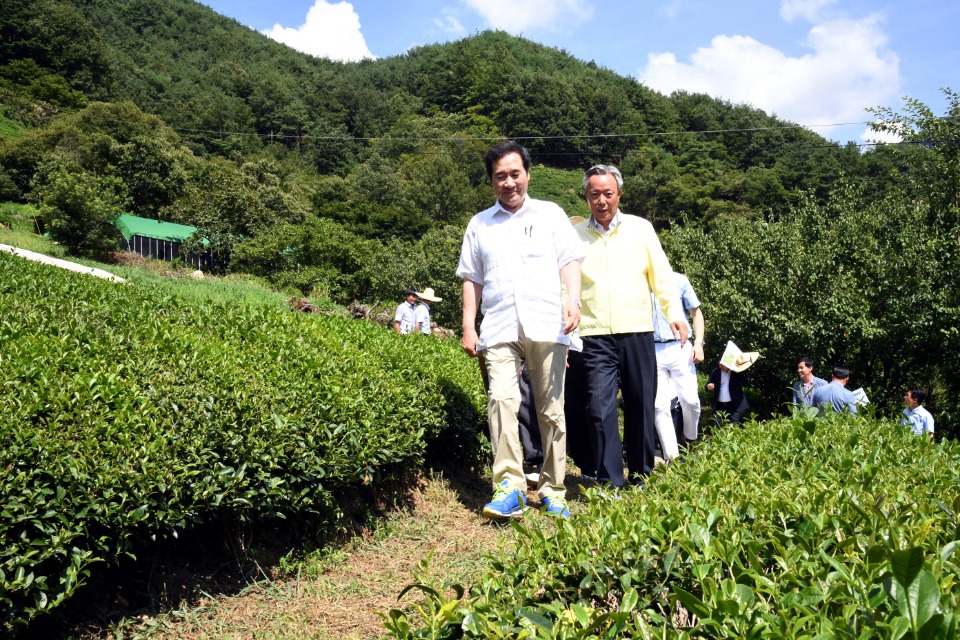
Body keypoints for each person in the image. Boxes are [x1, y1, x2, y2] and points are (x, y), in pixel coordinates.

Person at [457, 140, 584, 519]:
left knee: (550, 410)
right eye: (500, 176)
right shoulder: (479, 223)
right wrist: (468, 324)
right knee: (501, 401)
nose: (509, 182)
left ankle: (552, 488)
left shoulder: (551, 214)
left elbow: (571, 260)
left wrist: (573, 300)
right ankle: (509, 486)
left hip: (548, 322)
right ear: (491, 181)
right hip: (497, 326)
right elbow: (470, 278)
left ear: (527, 174)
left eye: (515, 174)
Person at [575, 164, 686, 489]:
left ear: (619, 194)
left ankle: (640, 474)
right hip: (594, 334)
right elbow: (566, 283)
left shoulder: (641, 229)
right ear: (586, 197)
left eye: (608, 193)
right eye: (594, 194)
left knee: (640, 403)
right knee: (599, 407)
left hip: (637, 330)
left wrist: (674, 313)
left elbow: (662, 277)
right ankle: (611, 481)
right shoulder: (575, 235)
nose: (602, 200)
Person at [652, 272, 704, 458]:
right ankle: (671, 457)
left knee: (691, 400)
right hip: (652, 349)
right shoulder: (637, 282)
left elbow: (696, 313)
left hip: (679, 345)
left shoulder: (679, 280)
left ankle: (690, 439)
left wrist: (699, 343)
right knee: (659, 405)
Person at [705, 341, 757, 427]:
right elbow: (708, 384)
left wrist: (742, 370)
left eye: (723, 365)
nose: (721, 366)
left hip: (734, 405)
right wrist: (708, 386)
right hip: (719, 406)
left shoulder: (736, 372)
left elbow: (745, 383)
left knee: (732, 428)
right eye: (720, 364)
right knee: (716, 428)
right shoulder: (716, 371)